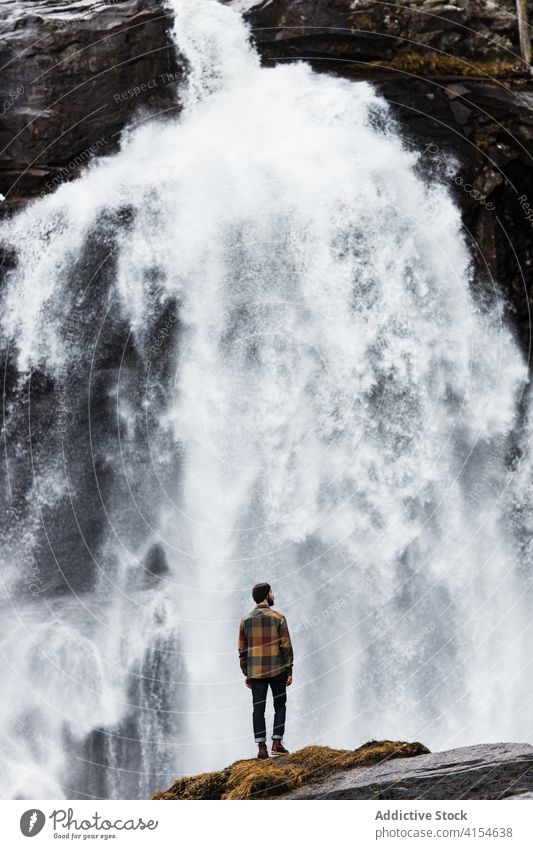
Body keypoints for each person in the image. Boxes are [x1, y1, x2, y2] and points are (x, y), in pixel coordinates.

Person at [238, 582, 294, 759]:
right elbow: (286, 646)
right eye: (271, 592)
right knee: (279, 706)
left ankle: (261, 749)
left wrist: (246, 672)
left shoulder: (245, 620)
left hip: (255, 672)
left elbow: (242, 649)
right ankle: (277, 744)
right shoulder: (278, 617)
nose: (273, 595)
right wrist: (289, 670)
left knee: (258, 709)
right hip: (277, 670)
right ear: (266, 595)